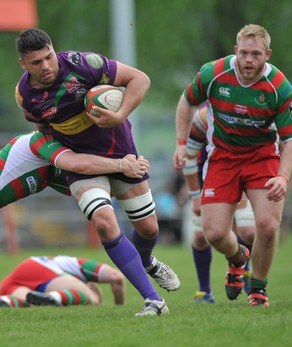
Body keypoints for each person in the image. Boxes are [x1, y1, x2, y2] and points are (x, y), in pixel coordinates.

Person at [15, 28, 180, 316]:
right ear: (23, 64)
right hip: (84, 166)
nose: (46, 66)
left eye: (49, 57)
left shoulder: (83, 64)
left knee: (149, 228)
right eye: (36, 62)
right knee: (105, 222)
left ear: (55, 50)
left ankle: (147, 263)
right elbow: (42, 129)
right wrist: (63, 162)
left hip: (122, 154)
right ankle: (153, 300)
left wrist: (119, 114)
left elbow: (139, 79)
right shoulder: (25, 96)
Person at [0, 131, 148, 309]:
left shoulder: (55, 167)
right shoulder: (42, 141)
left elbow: (93, 190)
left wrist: (128, 176)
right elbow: (78, 164)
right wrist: (122, 165)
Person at [173, 24, 292, 307]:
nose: (248, 60)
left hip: (262, 156)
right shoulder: (213, 73)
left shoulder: (279, 86)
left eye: (256, 54)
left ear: (267, 54)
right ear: (235, 51)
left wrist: (283, 176)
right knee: (215, 233)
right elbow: (186, 102)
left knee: (267, 226)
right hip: (223, 157)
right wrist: (181, 143)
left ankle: (258, 287)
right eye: (243, 53)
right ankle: (238, 258)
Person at [183, 102, 256, 303]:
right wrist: (195, 196)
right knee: (200, 237)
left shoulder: (243, 111)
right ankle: (205, 291)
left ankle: (244, 269)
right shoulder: (202, 116)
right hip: (204, 177)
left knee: (248, 230)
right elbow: (187, 158)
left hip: (236, 174)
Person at [0, 255, 125, 308]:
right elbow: (116, 277)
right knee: (92, 299)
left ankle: (5, 301)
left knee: (30, 302)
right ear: (89, 284)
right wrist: (119, 308)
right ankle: (55, 297)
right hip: (38, 267)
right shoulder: (80, 266)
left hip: (11, 282)